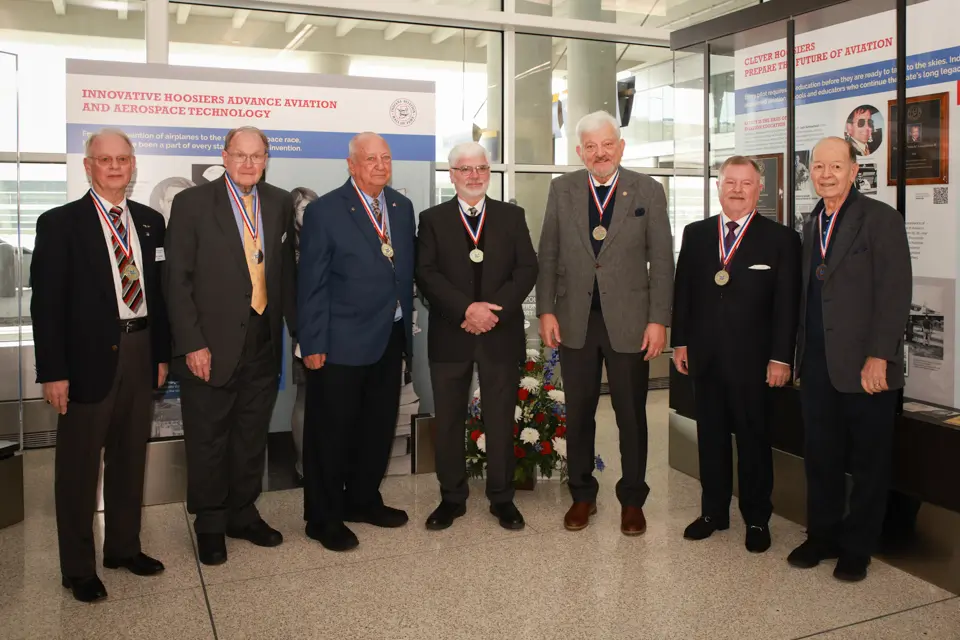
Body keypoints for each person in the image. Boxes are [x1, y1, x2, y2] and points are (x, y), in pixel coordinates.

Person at [31, 128, 170, 602]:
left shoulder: (150, 222)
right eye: (104, 159)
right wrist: (52, 371)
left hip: (140, 348)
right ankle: (78, 568)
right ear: (88, 166)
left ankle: (124, 548)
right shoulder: (60, 223)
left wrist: (161, 354)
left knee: (131, 458)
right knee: (78, 469)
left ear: (133, 167)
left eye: (123, 159)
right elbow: (46, 306)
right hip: (85, 360)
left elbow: (162, 297)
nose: (114, 167)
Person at [536, 110, 674, 535]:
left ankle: (633, 499)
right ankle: (582, 495)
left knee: (631, 414)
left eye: (607, 144)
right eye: (590, 146)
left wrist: (658, 320)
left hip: (630, 322)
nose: (600, 153)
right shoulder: (562, 190)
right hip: (575, 320)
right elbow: (549, 254)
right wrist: (546, 309)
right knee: (578, 413)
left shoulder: (647, 190)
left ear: (621, 146)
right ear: (579, 151)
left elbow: (663, 260)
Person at [164, 126, 297, 566]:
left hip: (262, 339)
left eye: (256, 156)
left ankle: (243, 512)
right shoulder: (192, 203)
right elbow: (176, 281)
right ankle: (210, 523)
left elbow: (283, 275)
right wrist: (191, 344)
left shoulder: (278, 203)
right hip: (210, 344)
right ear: (223, 157)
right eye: (239, 155)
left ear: (266, 159)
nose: (247, 163)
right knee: (208, 438)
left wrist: (297, 334)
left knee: (249, 435)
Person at [788, 136, 911, 582]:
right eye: (818, 167)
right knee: (820, 455)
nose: (825, 175)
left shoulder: (880, 219)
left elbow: (895, 293)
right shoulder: (810, 223)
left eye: (835, 167)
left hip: (866, 366)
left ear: (854, 170)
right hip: (817, 363)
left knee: (868, 462)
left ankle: (857, 548)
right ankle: (822, 536)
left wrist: (880, 356)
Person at [671, 155, 801, 553]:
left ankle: (757, 518)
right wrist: (681, 341)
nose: (738, 190)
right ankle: (713, 512)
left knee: (753, 440)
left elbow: (787, 306)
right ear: (718, 185)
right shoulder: (695, 234)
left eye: (747, 183)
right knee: (709, 438)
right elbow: (684, 294)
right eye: (731, 182)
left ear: (759, 189)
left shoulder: (780, 239)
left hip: (755, 363)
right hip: (705, 359)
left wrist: (782, 358)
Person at [298, 132, 416, 552]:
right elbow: (310, 282)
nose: (380, 165)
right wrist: (311, 341)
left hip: (390, 338)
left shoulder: (402, 209)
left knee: (377, 428)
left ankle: (363, 500)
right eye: (370, 159)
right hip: (339, 342)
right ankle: (323, 517)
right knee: (331, 433)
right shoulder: (325, 211)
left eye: (385, 158)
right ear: (351, 165)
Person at [416, 142, 538, 531]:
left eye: (481, 168)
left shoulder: (511, 216)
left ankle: (502, 499)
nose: (474, 175)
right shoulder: (432, 218)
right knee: (449, 420)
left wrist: (491, 311)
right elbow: (426, 273)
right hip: (451, 335)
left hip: (498, 335)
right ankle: (451, 499)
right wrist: (466, 310)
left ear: (489, 172)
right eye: (465, 169)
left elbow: (526, 269)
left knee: (501, 418)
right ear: (451, 175)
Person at [290, 186, 319, 484]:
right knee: (304, 397)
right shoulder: (290, 246)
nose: (307, 213)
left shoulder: (322, 237)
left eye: (312, 207)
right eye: (301, 208)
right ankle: (302, 464)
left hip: (331, 328)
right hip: (303, 329)